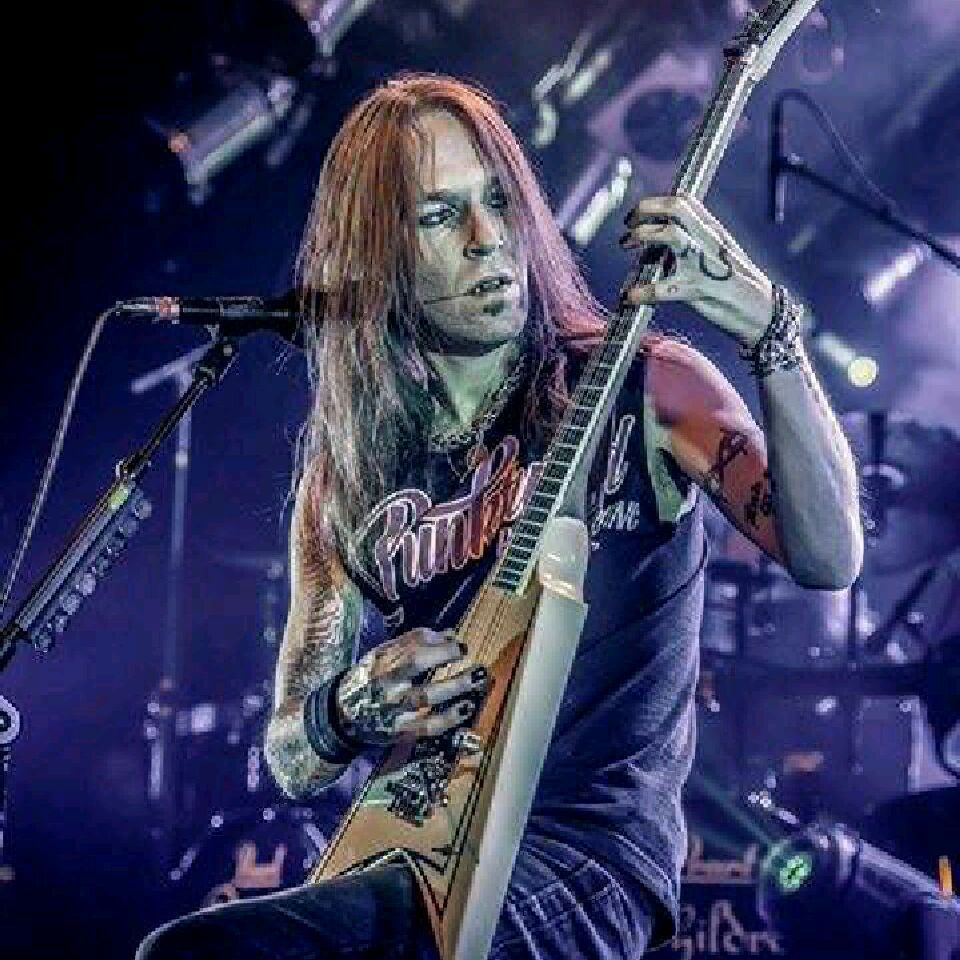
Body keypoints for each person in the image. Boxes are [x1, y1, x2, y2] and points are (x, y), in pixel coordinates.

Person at [136, 72, 862, 960]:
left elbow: (828, 555)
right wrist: (355, 702)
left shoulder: (645, 383)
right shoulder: (346, 475)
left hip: (587, 857)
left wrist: (771, 330)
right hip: (421, 851)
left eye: (498, 201)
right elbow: (290, 757)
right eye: (442, 216)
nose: (488, 241)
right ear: (377, 255)